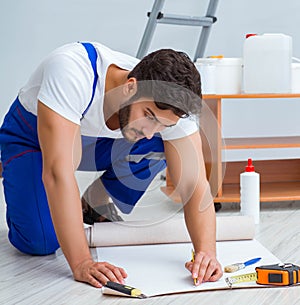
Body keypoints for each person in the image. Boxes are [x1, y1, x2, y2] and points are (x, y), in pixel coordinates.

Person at [0, 42, 223, 288]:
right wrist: (82, 262)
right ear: (130, 87)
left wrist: (206, 252)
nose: (152, 132)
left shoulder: (170, 106)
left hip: (97, 143)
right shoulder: (72, 70)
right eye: (149, 115)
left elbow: (194, 182)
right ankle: (14, 171)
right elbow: (57, 173)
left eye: (163, 124)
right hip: (34, 140)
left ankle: (94, 203)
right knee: (40, 241)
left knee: (167, 147)